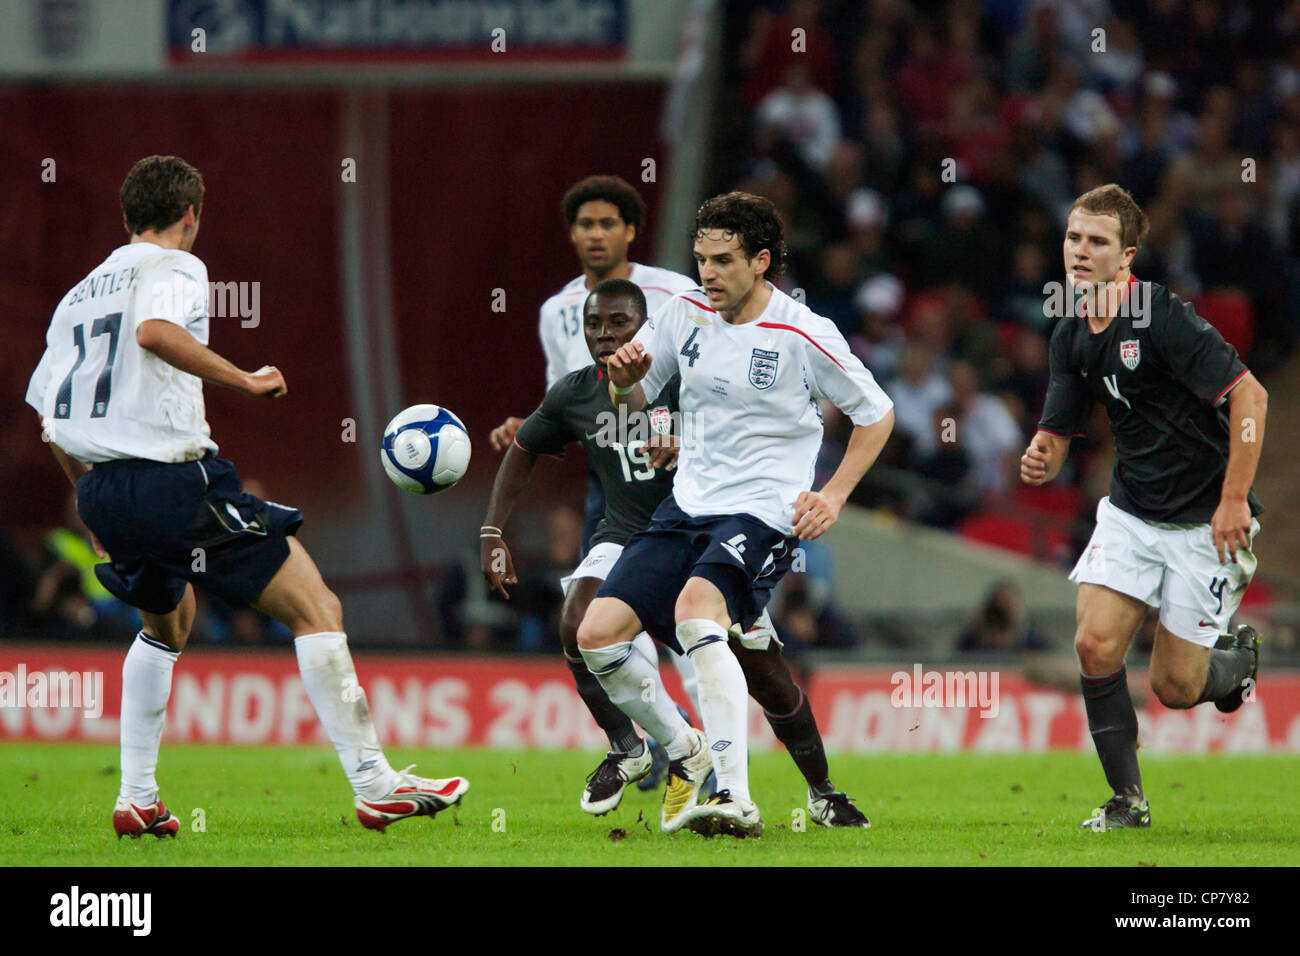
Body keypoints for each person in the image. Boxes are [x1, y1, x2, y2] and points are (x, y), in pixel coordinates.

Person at [26, 155, 467, 838]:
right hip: (170, 478)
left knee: (165, 626)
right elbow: (154, 333)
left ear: (124, 216)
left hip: (106, 489)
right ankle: (375, 783)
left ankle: (137, 797)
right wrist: (246, 379)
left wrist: (89, 502)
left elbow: (48, 417)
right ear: (192, 213)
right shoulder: (176, 266)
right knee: (316, 605)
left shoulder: (77, 296)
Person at [481, 279, 869, 828]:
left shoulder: (686, 373)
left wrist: (687, 436)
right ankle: (651, 748)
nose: (605, 334)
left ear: (646, 326)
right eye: (594, 324)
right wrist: (491, 532)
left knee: (767, 677)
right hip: (631, 537)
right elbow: (525, 448)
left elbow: (733, 429)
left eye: (619, 323)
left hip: (708, 533)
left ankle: (822, 791)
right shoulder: (576, 392)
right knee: (582, 625)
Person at [580, 192, 895, 837]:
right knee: (597, 635)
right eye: (701, 260)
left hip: (765, 511)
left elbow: (876, 412)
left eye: (723, 261)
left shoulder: (802, 331)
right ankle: (689, 750)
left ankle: (736, 799)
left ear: (762, 262)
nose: (708, 274)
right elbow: (636, 396)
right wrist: (624, 382)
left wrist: (831, 495)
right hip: (688, 503)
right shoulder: (684, 311)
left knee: (698, 614)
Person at [1022, 183, 1267, 830]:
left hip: (1206, 520)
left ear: (1126, 254)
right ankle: (1127, 801)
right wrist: (1043, 453)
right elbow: (1059, 429)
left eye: (1097, 241)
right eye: (1074, 237)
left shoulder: (1164, 318)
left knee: (1176, 687)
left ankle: (1234, 665)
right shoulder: (1071, 330)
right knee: (1094, 643)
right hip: (1131, 511)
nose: (1080, 250)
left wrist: (1234, 499)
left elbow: (1252, 400)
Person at [487, 174, 702, 789]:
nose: (597, 233)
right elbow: (566, 401)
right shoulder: (557, 310)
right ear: (572, 234)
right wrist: (527, 425)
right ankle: (658, 743)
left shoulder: (677, 293)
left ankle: (706, 756)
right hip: (610, 487)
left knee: (687, 624)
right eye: (586, 224)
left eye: (609, 222)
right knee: (594, 620)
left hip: (678, 477)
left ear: (631, 230)